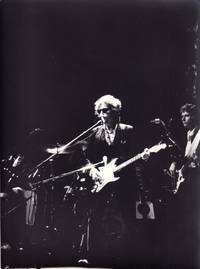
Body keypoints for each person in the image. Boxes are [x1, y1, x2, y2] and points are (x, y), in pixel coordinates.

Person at [72, 94, 149, 266]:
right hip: (101, 180)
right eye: (98, 111)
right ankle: (92, 255)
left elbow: (137, 154)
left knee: (127, 215)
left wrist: (144, 157)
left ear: (115, 111)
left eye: (104, 111)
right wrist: (92, 170)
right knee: (95, 214)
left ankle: (131, 256)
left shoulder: (128, 130)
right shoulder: (94, 133)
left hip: (125, 180)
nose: (101, 114)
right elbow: (85, 157)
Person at [168, 103, 200, 268]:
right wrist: (176, 164)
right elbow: (187, 157)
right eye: (181, 116)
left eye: (186, 116)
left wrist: (186, 168)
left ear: (194, 116)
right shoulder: (189, 134)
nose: (182, 119)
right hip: (187, 181)